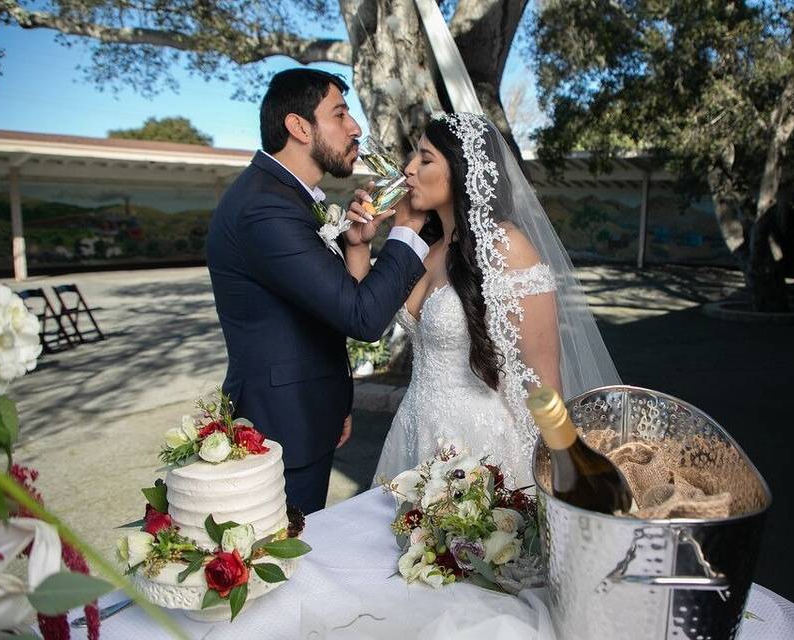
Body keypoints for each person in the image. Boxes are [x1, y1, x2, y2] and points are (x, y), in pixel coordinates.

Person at [207, 68, 428, 514]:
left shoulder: (289, 197)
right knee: (288, 563)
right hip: (281, 430)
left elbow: (323, 306)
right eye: (341, 114)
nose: (356, 128)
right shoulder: (266, 209)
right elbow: (361, 317)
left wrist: (355, 246)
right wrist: (407, 229)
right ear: (299, 126)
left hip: (306, 417)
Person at [372, 113, 621, 486]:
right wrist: (362, 245)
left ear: (461, 169)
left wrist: (563, 471)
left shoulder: (508, 248)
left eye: (425, 159)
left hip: (476, 446)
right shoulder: (426, 248)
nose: (408, 170)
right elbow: (366, 314)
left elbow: (542, 378)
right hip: (412, 432)